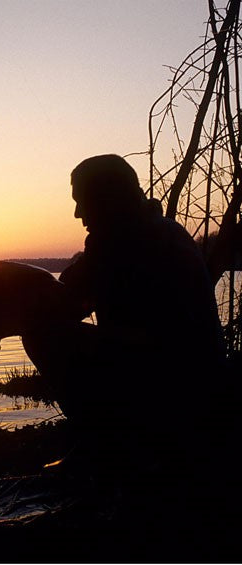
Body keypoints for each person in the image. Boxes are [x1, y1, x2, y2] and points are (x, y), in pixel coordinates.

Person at [23, 154, 226, 479]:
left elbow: (65, 306)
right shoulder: (152, 231)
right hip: (187, 378)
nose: (78, 214)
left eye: (83, 202)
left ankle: (106, 446)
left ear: (109, 198)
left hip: (177, 386)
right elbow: (74, 299)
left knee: (41, 334)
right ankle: (113, 441)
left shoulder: (128, 241)